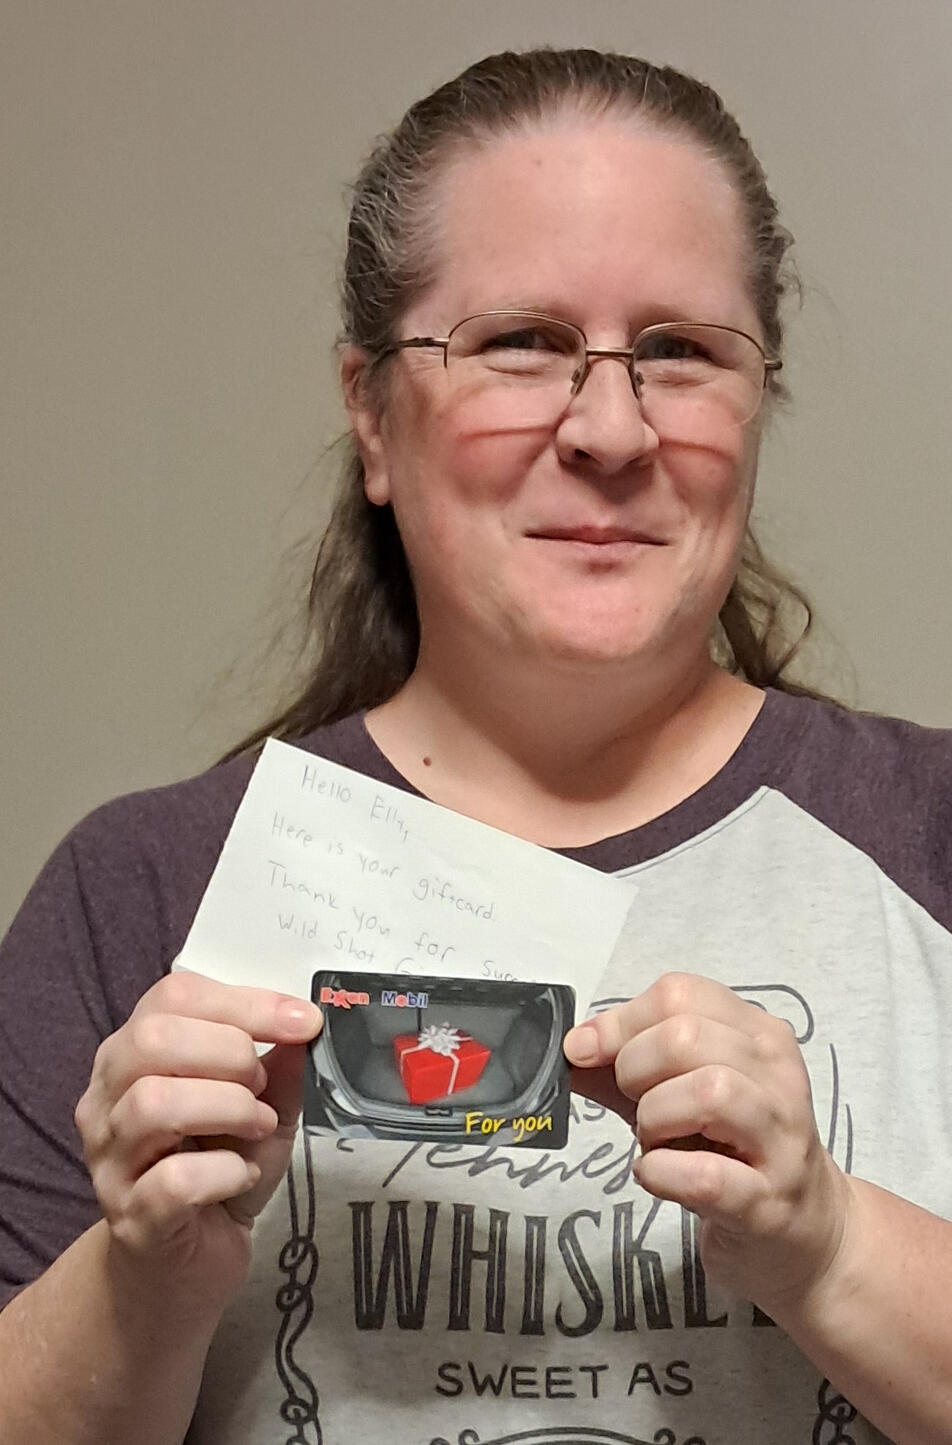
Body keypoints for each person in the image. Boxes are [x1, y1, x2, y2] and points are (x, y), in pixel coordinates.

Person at [1, 45, 951, 1445]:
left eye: (681, 351)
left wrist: (828, 1244)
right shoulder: (138, 891)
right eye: (520, 343)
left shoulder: (931, 834)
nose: (612, 428)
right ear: (373, 415)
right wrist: (144, 1281)